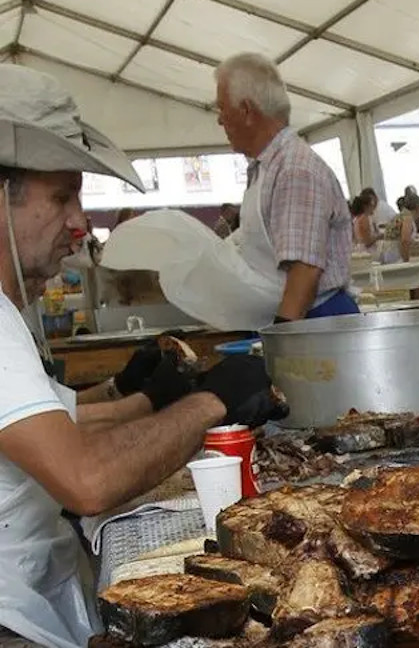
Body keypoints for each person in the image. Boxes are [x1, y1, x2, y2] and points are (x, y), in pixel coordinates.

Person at [0, 64, 284, 648]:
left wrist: (148, 397)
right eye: (62, 197)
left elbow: (58, 430)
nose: (79, 223)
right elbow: (86, 479)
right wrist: (212, 401)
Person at [214, 53, 356, 322]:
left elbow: (304, 270)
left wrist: (283, 337)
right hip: (292, 316)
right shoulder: (265, 167)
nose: (219, 120)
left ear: (246, 111)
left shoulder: (295, 169)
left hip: (315, 322)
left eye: (222, 108)